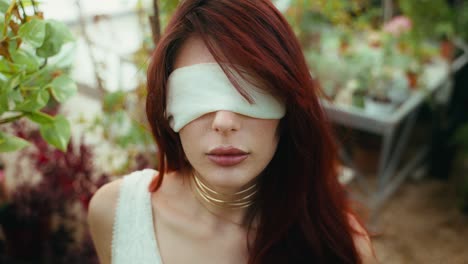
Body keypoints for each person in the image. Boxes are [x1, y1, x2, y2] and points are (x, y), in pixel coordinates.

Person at [88, 0, 376, 263]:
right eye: (198, 92)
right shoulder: (115, 215)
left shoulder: (342, 248)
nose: (224, 121)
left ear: (288, 104)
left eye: (251, 90)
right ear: (167, 109)